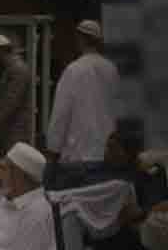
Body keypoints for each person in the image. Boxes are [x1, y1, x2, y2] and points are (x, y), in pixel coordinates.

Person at [45, 20, 120, 163]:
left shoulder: (73, 70)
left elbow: (61, 113)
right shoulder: (111, 69)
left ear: (80, 39)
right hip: (107, 153)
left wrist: (53, 149)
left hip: (79, 155)